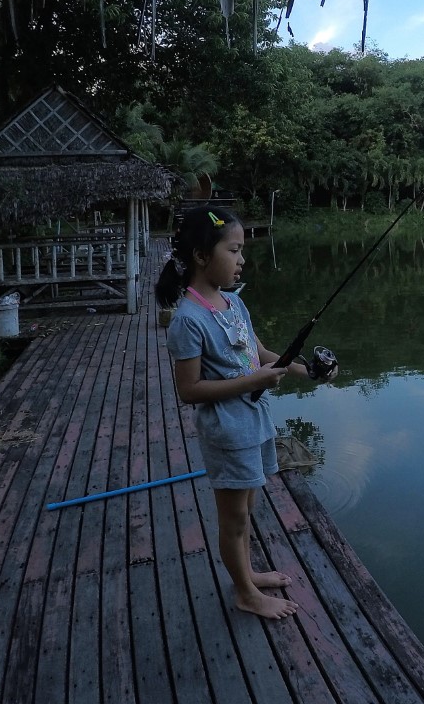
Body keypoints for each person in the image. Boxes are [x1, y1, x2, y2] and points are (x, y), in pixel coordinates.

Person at [155, 204, 336, 619]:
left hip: (254, 423)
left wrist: (305, 369)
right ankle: (244, 593)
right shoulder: (188, 320)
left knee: (248, 510)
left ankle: (247, 575)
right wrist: (255, 380)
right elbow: (189, 391)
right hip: (225, 433)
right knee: (233, 519)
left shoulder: (234, 304)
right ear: (203, 255)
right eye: (234, 251)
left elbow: (259, 354)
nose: (241, 260)